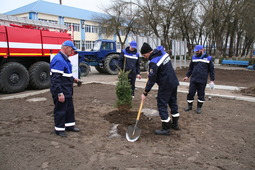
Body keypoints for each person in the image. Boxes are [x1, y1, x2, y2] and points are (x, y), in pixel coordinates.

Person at [140, 42, 180, 136]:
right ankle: (175, 124)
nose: (145, 57)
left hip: (165, 84)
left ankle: (166, 128)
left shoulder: (154, 62)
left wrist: (145, 92)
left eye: (144, 55)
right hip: (173, 81)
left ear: (149, 52)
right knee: (173, 102)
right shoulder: (163, 53)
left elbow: (152, 80)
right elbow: (162, 69)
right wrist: (151, 73)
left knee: (162, 104)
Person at [50, 40, 82, 137]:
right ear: (66, 48)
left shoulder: (64, 59)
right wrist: (59, 93)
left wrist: (74, 80)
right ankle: (59, 129)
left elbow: (65, 75)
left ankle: (69, 126)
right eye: (71, 49)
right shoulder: (59, 60)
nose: (72, 51)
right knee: (61, 110)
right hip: (62, 91)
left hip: (67, 90)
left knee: (69, 109)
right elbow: (55, 79)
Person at [183, 45, 215, 114]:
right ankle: (189, 106)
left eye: (198, 51)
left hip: (202, 80)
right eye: (196, 51)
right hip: (194, 79)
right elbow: (190, 68)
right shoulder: (194, 58)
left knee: (201, 94)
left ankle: (199, 107)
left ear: (202, 50)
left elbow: (211, 70)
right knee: (191, 93)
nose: (196, 52)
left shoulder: (208, 58)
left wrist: (212, 80)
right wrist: (187, 76)